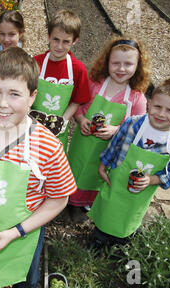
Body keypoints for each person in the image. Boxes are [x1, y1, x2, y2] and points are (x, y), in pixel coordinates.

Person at [0, 47, 77, 288]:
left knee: (26, 282)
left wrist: (14, 232)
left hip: (25, 231)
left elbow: (58, 199)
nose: (2, 104)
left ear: (33, 96)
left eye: (14, 94)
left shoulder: (48, 146)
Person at [88, 79, 170, 251]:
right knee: (106, 211)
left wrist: (153, 179)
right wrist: (103, 164)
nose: (161, 114)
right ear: (149, 104)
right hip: (116, 182)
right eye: (157, 107)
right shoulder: (133, 124)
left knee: (127, 220)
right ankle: (98, 239)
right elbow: (115, 145)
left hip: (139, 194)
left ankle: (120, 246)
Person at [66, 36, 150, 223]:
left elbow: (138, 127)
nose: (121, 68)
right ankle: (68, 200)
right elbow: (78, 105)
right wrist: (80, 119)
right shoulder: (95, 84)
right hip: (83, 144)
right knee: (76, 169)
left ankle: (86, 205)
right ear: (107, 63)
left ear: (138, 66)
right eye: (116, 63)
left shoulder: (136, 98)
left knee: (96, 176)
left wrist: (116, 130)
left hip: (108, 150)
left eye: (128, 64)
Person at [33, 9, 90, 151]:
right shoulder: (35, 63)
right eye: (56, 39)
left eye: (66, 42)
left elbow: (77, 101)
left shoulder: (78, 69)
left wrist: (63, 121)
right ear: (48, 37)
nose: (59, 46)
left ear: (75, 41)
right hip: (33, 126)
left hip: (58, 131)